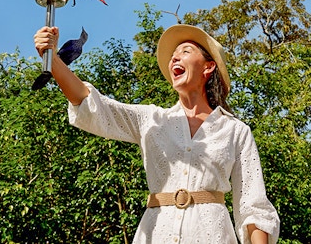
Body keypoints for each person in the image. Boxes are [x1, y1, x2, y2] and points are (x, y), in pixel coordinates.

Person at [34, 23, 280, 244]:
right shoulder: (151, 119)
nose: (175, 58)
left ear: (208, 67)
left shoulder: (235, 130)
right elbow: (94, 106)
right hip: (156, 232)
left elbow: (253, 205)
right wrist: (53, 60)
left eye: (185, 51)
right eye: (173, 55)